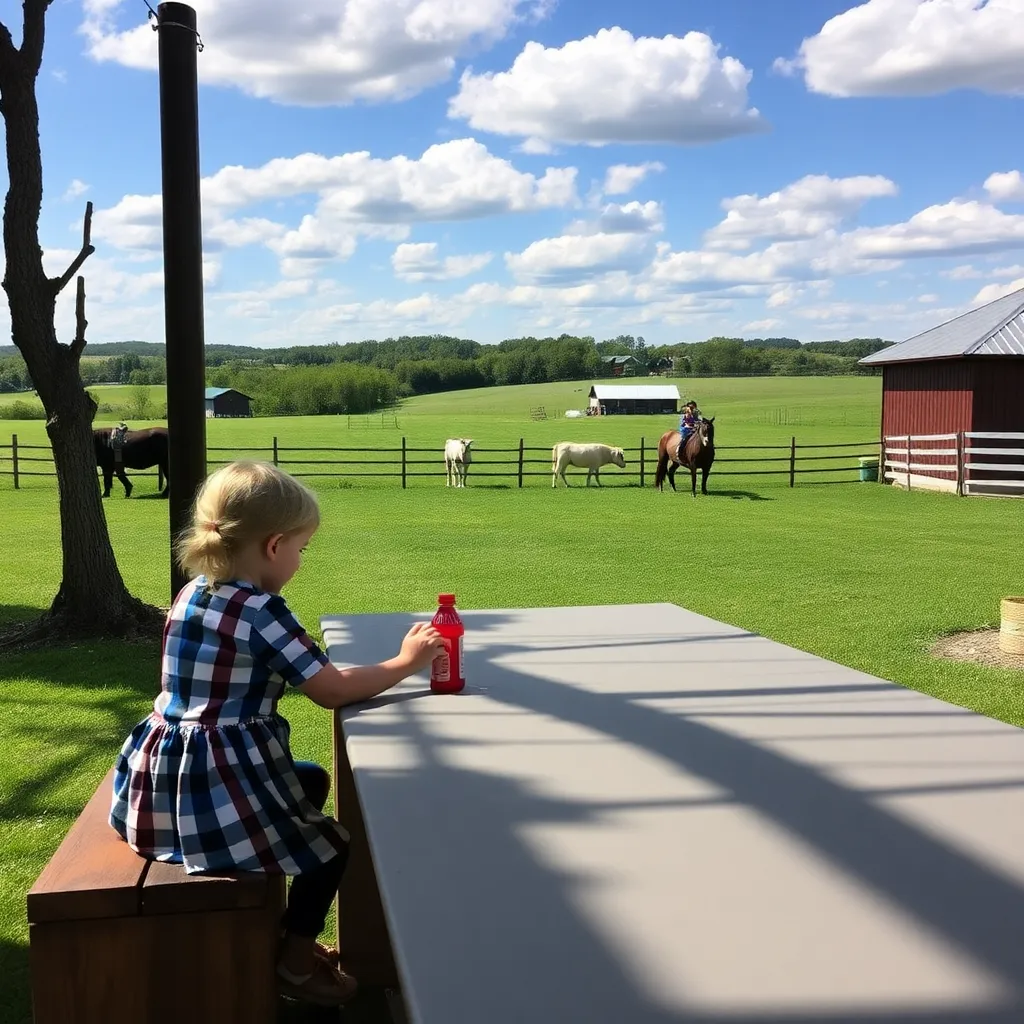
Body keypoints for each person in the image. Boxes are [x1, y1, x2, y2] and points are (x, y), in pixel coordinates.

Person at [109, 461, 444, 1007]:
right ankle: (292, 966)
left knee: (307, 781)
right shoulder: (260, 611)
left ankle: (283, 928)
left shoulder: (195, 591)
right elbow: (331, 689)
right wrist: (406, 662)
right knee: (332, 847)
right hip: (214, 774)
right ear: (273, 546)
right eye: (301, 549)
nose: (300, 561)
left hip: (165, 776)